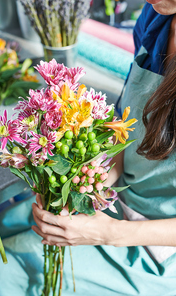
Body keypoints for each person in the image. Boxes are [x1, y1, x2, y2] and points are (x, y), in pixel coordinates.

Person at [31, 1, 176, 296]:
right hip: (115, 208)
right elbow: (128, 126)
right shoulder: (155, 18)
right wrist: (86, 187)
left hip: (157, 250)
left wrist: (109, 233)